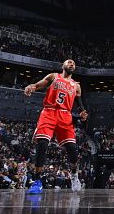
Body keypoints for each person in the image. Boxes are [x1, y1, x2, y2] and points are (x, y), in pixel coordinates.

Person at [24, 59, 88, 194]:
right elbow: (38, 85)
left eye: (74, 64)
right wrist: (31, 87)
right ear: (63, 65)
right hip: (49, 111)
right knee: (42, 144)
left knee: (72, 149)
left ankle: (74, 175)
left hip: (65, 115)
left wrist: (82, 112)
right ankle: (37, 181)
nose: (72, 64)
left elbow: (79, 102)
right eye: (69, 62)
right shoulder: (54, 76)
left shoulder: (76, 85)